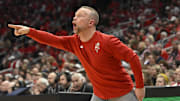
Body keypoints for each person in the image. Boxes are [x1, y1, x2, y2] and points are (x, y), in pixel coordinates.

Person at [8, 6, 145, 101]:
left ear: (91, 22)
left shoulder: (108, 41)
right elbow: (52, 39)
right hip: (99, 94)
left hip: (122, 93)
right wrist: (29, 31)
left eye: (79, 16)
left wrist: (139, 87)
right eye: (74, 16)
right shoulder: (73, 41)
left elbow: (133, 58)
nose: (74, 19)